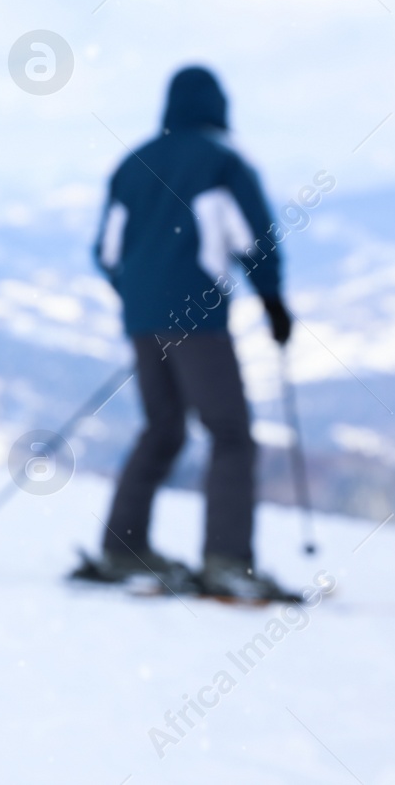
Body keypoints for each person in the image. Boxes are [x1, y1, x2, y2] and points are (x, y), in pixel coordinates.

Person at [76, 65, 295, 601]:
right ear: (219, 106)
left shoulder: (132, 165)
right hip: (198, 322)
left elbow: (106, 253)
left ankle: (122, 548)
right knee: (230, 434)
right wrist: (271, 300)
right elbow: (254, 240)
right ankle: (226, 561)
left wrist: (141, 297)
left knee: (163, 429)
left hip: (143, 321)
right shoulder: (222, 162)